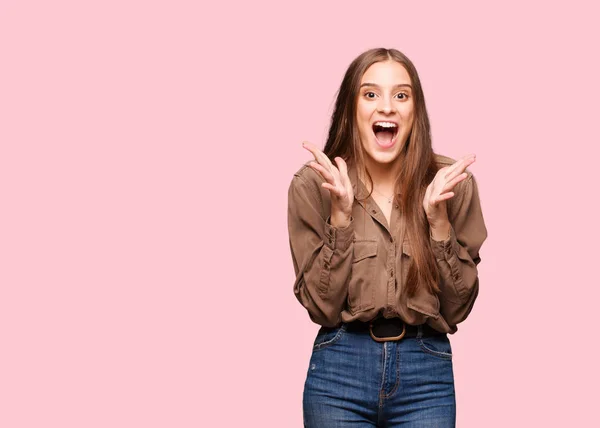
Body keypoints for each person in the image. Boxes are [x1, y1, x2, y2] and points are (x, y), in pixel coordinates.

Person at [287, 48, 488, 427]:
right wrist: (341, 219)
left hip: (425, 371)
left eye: (401, 95)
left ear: (416, 111)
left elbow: (457, 308)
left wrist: (438, 224)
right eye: (370, 94)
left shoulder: (451, 186)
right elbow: (321, 308)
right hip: (339, 370)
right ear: (351, 108)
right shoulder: (314, 184)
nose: (387, 107)